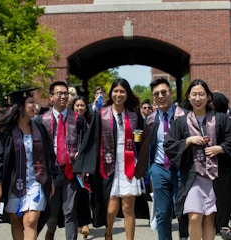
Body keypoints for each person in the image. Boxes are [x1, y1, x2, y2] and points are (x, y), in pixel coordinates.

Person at [163, 79, 231, 240]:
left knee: (209, 217)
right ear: (188, 97)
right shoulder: (181, 122)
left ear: (208, 97)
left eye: (201, 95)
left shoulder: (220, 119)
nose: (198, 98)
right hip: (193, 178)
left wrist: (220, 148)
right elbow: (169, 145)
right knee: (194, 215)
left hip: (216, 178)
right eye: (194, 95)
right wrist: (187, 141)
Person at [73, 78, 149, 240]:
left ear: (127, 94)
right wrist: (84, 162)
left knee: (128, 207)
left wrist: (140, 139)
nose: (118, 94)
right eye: (116, 91)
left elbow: (142, 139)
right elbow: (91, 139)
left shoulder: (134, 115)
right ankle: (108, 233)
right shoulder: (101, 114)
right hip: (107, 165)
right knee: (110, 208)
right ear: (111, 93)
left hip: (128, 163)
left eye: (122, 91)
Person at [0, 88, 57, 239]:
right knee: (16, 221)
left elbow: (48, 154)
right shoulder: (5, 131)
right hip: (12, 181)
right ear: (20, 107)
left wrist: (50, 177)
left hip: (36, 180)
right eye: (31, 103)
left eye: (35, 102)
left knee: (31, 220)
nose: (35, 106)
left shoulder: (39, 127)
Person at [135, 78, 189, 240]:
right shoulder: (150, 119)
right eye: (156, 94)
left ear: (171, 93)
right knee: (163, 212)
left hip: (180, 168)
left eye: (164, 92)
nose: (161, 96)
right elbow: (145, 144)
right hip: (159, 168)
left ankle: (184, 237)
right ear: (153, 98)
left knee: (182, 210)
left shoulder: (184, 116)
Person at [36, 81, 88, 240]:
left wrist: (82, 156)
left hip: (70, 172)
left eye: (66, 93)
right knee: (52, 212)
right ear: (51, 97)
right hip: (51, 173)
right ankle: (50, 232)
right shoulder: (41, 120)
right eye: (60, 93)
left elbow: (86, 142)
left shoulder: (78, 119)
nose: (64, 97)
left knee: (70, 211)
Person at [210, 92, 231, 240]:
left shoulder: (227, 120)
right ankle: (213, 225)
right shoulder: (204, 119)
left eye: (211, 102)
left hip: (224, 166)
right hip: (206, 166)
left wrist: (221, 148)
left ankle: (224, 225)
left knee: (225, 197)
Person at [71, 95, 92, 238]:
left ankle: (84, 223)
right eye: (77, 105)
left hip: (86, 162)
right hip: (71, 162)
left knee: (84, 192)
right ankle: (78, 222)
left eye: (82, 105)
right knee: (75, 193)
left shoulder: (91, 120)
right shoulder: (69, 121)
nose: (79, 108)